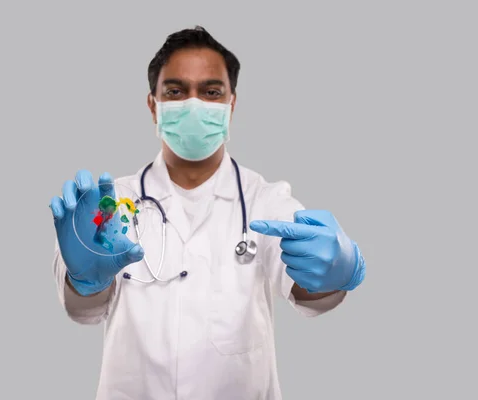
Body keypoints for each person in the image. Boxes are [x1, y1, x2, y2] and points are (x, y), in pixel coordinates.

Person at [49, 26, 366, 400]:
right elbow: (83, 310)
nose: (194, 104)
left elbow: (307, 286)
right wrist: (83, 280)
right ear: (153, 105)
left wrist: (333, 271)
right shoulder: (116, 201)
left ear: (231, 105)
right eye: (176, 91)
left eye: (211, 92)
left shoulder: (265, 200)